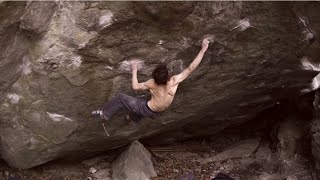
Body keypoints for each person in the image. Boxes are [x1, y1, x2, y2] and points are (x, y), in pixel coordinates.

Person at [92, 38, 210, 123]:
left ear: (155, 77)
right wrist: (203, 50)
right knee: (140, 101)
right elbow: (191, 68)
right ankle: (131, 118)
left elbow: (136, 87)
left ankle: (105, 114)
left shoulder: (151, 83)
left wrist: (134, 71)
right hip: (158, 111)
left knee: (121, 98)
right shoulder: (174, 81)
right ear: (168, 76)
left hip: (147, 109)